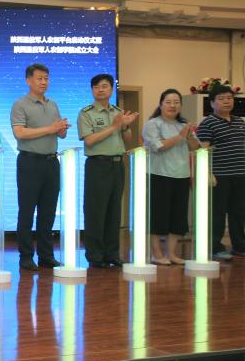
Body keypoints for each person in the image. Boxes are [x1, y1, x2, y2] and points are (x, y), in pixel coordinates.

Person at [10, 63, 68, 271]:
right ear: (28, 80)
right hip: (30, 162)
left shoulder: (53, 104)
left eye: (46, 78)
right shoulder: (20, 104)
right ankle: (26, 257)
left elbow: (59, 134)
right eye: (39, 78)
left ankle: (46, 256)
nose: (44, 82)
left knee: (48, 212)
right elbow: (20, 133)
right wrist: (50, 128)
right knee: (27, 211)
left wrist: (61, 130)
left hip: (52, 162)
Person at [77, 73, 138, 268]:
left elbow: (127, 140)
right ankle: (95, 255)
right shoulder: (86, 113)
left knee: (114, 210)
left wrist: (125, 127)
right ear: (92, 90)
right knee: (96, 211)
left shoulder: (118, 112)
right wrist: (114, 126)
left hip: (118, 164)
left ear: (111, 89)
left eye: (104, 86)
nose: (100, 90)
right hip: (98, 165)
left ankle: (112, 253)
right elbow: (89, 140)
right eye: (96, 87)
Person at [142, 89, 199, 265]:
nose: (172, 105)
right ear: (161, 105)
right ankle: (157, 254)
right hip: (159, 174)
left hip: (181, 175)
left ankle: (172, 254)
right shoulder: (153, 124)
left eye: (176, 102)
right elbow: (158, 146)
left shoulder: (183, 125)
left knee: (178, 217)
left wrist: (189, 136)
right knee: (158, 215)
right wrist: (180, 137)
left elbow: (195, 148)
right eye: (168, 102)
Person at [196, 83, 245, 260]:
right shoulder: (208, 123)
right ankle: (214, 246)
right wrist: (208, 173)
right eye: (221, 98)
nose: (226, 101)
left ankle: (239, 245)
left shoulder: (239, 121)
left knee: (238, 212)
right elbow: (203, 151)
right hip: (219, 176)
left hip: (240, 174)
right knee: (217, 213)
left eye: (229, 98)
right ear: (212, 103)